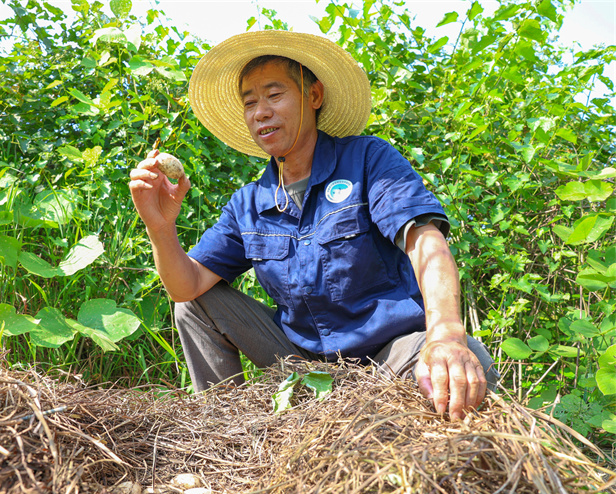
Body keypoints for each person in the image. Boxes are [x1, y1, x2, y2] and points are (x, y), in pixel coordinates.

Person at [129, 30, 499, 421]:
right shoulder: (248, 204)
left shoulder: (368, 160)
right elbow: (184, 286)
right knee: (193, 305)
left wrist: (445, 335)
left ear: (314, 96)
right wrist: (160, 227)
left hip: (390, 357)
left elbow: (427, 243)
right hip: (303, 369)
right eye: (250, 102)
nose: (261, 112)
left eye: (274, 95)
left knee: (466, 358)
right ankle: (228, 432)